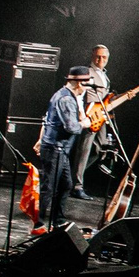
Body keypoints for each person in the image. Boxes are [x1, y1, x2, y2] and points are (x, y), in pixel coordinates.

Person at [32, 64, 91, 234]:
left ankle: (58, 221)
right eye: (86, 85)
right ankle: (38, 223)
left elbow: (48, 120)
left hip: (61, 149)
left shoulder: (68, 97)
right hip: (54, 149)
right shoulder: (65, 99)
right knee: (48, 187)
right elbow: (71, 127)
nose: (86, 90)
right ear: (80, 84)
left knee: (66, 184)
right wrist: (84, 124)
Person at [69, 43, 112, 198]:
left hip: (101, 116)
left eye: (104, 57)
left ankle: (70, 178)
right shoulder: (87, 72)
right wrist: (83, 114)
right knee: (84, 150)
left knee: (100, 149)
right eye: (98, 56)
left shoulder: (104, 75)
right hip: (90, 115)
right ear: (93, 57)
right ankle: (76, 185)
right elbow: (78, 94)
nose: (101, 59)